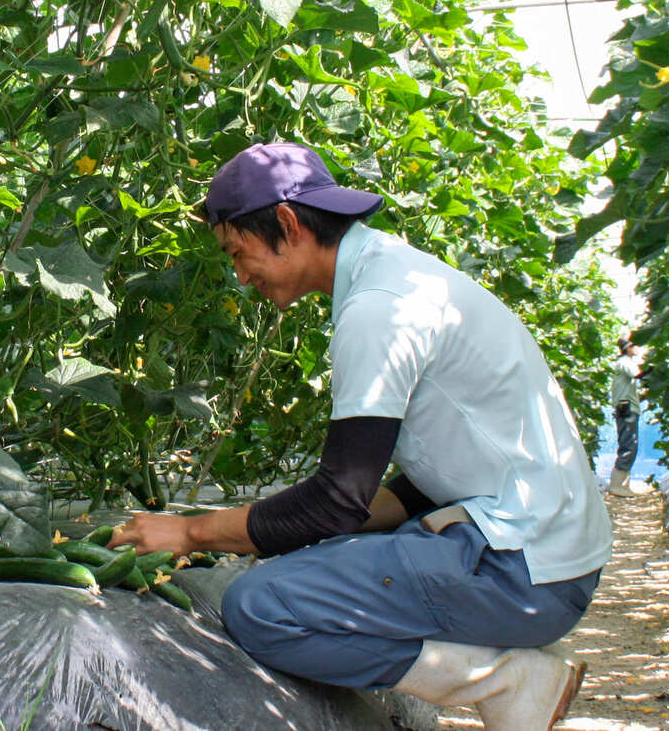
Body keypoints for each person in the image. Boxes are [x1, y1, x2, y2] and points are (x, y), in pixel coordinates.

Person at [110, 142, 611, 730]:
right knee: (305, 558)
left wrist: (193, 532)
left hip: (525, 575)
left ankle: (504, 680)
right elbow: (420, 485)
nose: (241, 276)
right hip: (547, 556)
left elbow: (337, 499)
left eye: (239, 253)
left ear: (289, 224)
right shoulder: (400, 276)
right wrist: (278, 531)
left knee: (261, 606)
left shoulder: (380, 309)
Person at [606, 338, 641, 497]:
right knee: (629, 445)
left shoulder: (620, 363)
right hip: (627, 408)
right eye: (635, 346)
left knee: (627, 443)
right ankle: (616, 485)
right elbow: (639, 375)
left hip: (623, 407)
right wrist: (655, 369)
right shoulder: (626, 362)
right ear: (628, 348)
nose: (637, 349)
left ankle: (623, 484)